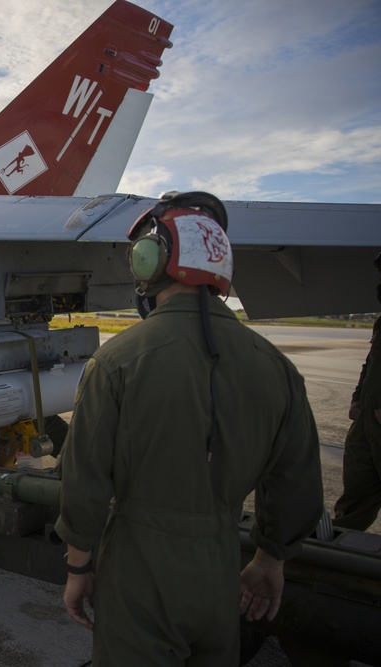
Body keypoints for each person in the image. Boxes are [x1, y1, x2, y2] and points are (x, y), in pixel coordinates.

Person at [54, 192, 323, 665]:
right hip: (222, 571)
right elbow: (296, 481)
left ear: (152, 262)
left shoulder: (117, 361)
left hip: (140, 573)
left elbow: (85, 481)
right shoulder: (277, 369)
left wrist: (79, 566)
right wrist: (269, 558)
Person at [333, 251, 381, 531]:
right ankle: (338, 556)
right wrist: (357, 399)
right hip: (367, 423)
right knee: (356, 496)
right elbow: (370, 366)